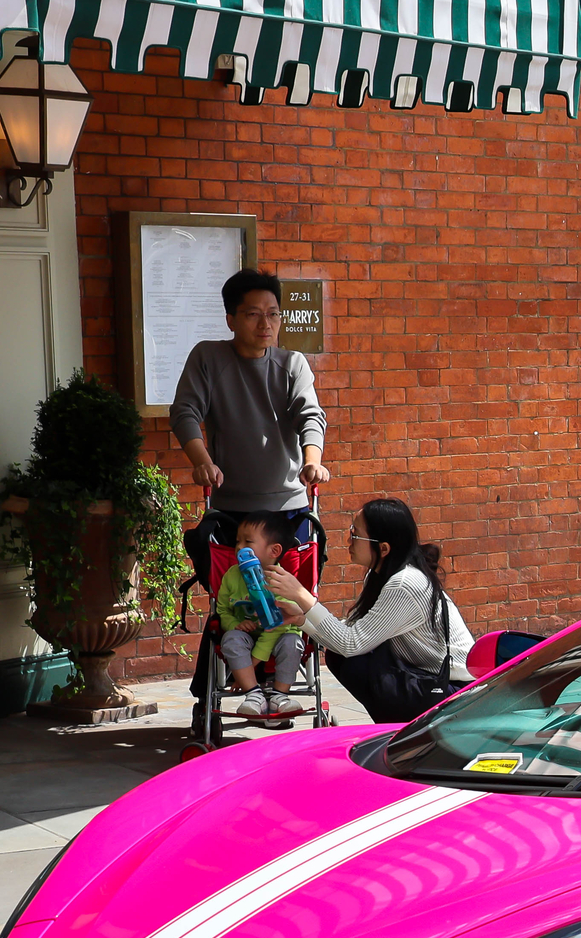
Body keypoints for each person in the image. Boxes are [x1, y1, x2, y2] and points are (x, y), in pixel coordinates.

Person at [170, 268, 329, 588]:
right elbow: (185, 411)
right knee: (236, 603)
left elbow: (310, 415)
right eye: (253, 314)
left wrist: (312, 461)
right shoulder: (208, 357)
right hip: (231, 509)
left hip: (290, 510)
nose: (265, 324)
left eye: (273, 314)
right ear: (231, 319)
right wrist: (202, 462)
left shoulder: (292, 363)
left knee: (289, 604)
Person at [265, 498, 474, 726]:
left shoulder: (405, 583)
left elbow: (351, 643)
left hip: (454, 691)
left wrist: (301, 595)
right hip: (425, 678)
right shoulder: (379, 575)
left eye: (355, 534)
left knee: (351, 659)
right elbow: (349, 633)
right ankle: (393, 727)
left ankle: (401, 729)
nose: (349, 540)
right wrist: (301, 618)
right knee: (343, 656)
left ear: (383, 548)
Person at [213, 512, 309, 719]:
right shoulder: (231, 575)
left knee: (293, 641)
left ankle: (280, 697)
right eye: (238, 541)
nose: (239, 547)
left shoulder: (282, 583)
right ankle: (253, 695)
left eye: (248, 542)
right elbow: (222, 610)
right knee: (231, 638)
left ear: (274, 550)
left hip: (279, 634)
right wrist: (235, 624)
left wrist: (254, 661)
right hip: (247, 635)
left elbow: (278, 627)